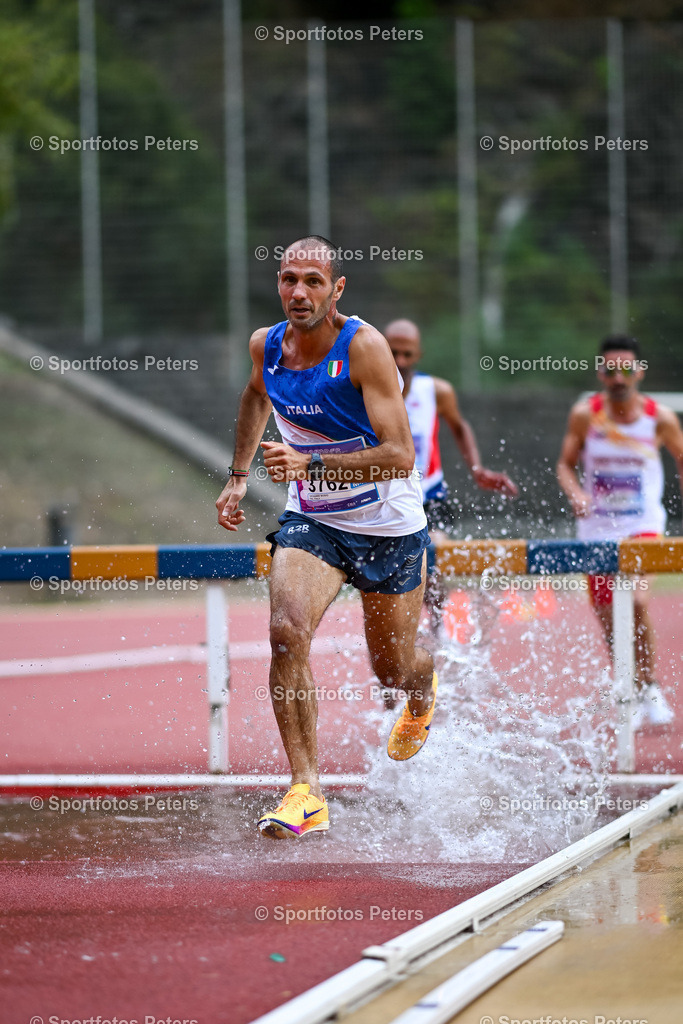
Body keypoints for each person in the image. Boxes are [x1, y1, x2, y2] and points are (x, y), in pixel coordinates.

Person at [215, 237, 437, 839]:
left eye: (314, 281)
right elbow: (255, 395)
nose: (299, 293)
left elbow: (400, 455)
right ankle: (307, 790)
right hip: (315, 523)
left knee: (391, 670)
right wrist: (238, 478)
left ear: (337, 290)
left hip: (389, 527)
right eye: (289, 279)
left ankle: (423, 685)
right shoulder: (267, 345)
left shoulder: (364, 348)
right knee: (286, 634)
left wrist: (311, 465)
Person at [557, 335, 683, 729]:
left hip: (642, 525)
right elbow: (564, 465)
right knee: (609, 614)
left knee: (636, 600)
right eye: (611, 370)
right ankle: (630, 685)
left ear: (639, 372)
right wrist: (576, 492)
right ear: (601, 374)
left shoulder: (659, 418)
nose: (619, 377)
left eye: (626, 369)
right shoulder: (584, 415)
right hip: (596, 530)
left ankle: (651, 687)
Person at [384, 319, 517, 631]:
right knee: (393, 574)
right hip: (386, 498)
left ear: (418, 354)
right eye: (393, 353)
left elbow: (460, 426)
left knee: (431, 566)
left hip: (429, 495)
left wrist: (477, 469)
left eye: (407, 354)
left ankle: (439, 627)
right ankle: (400, 637)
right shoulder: (366, 389)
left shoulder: (437, 391)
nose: (400, 361)